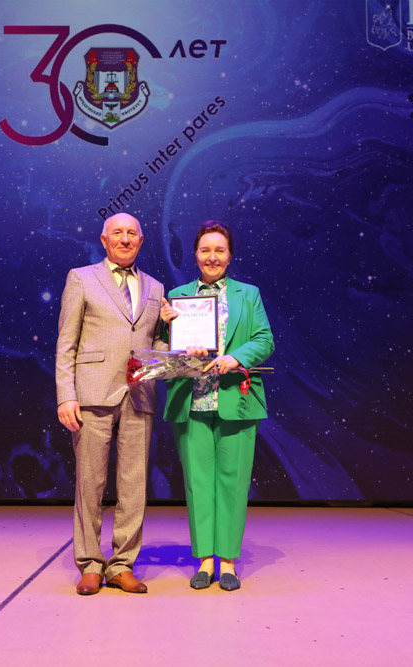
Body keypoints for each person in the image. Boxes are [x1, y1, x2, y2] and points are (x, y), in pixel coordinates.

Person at [56, 212, 168, 595]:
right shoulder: (81, 278)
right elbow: (66, 343)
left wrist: (175, 333)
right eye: (117, 232)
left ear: (141, 240)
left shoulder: (155, 286)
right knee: (90, 482)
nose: (124, 239)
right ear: (104, 240)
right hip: (92, 393)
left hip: (139, 394)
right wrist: (66, 395)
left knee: (134, 484)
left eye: (131, 233)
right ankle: (90, 564)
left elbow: (153, 343)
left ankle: (122, 565)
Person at [159, 220, 274, 591]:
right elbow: (164, 350)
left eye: (219, 250)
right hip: (191, 400)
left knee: (232, 481)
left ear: (230, 255)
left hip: (235, 399)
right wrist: (166, 329)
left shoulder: (248, 294)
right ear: (195, 255)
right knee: (197, 482)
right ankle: (205, 559)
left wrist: (235, 358)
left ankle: (227, 560)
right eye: (205, 250)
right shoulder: (178, 296)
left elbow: (265, 339)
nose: (212, 257)